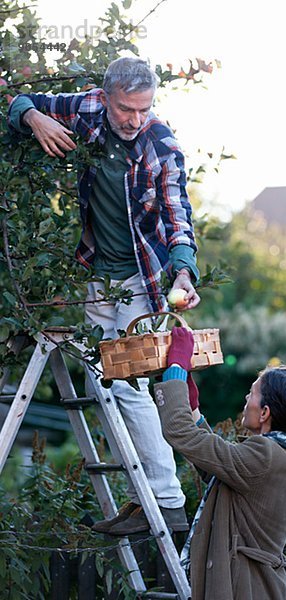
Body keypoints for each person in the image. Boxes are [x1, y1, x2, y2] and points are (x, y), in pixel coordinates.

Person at [8, 57, 201, 533]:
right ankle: (145, 500)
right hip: (97, 277)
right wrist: (32, 117)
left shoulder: (161, 142)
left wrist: (184, 272)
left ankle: (168, 500)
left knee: (129, 384)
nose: (134, 120)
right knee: (105, 385)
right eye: (125, 110)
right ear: (107, 97)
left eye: (143, 109)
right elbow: (16, 101)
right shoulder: (89, 110)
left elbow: (178, 214)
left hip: (141, 278)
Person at [153, 327, 286, 600]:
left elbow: (179, 432)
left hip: (243, 588)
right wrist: (193, 407)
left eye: (252, 393)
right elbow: (219, 468)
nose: (247, 399)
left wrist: (175, 367)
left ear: (265, 412)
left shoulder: (264, 455)